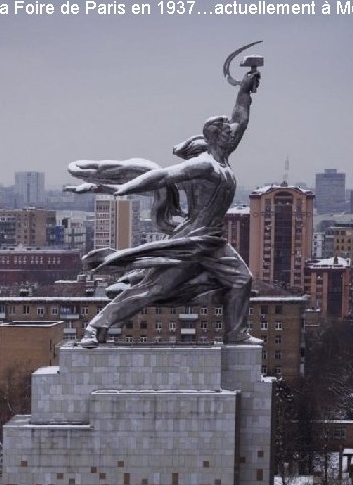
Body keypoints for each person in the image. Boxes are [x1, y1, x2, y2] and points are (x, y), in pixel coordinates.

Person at [68, 67, 261, 347]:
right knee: (153, 288)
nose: (231, 132)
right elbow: (163, 176)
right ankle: (96, 327)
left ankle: (236, 334)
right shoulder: (205, 164)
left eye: (229, 130)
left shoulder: (223, 160)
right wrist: (126, 188)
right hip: (193, 240)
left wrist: (244, 91)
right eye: (224, 130)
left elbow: (240, 120)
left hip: (213, 241)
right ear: (214, 137)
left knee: (242, 280)